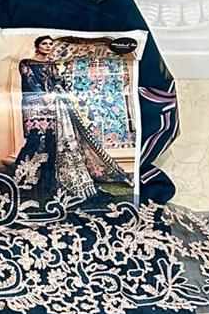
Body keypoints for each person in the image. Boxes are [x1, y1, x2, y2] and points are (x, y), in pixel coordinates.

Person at [13, 36, 131, 202]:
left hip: (53, 106)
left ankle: (46, 185)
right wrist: (46, 96)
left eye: (50, 44)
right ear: (37, 46)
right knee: (34, 140)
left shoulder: (52, 64)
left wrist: (61, 90)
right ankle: (19, 180)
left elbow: (58, 82)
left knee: (50, 143)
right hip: (35, 106)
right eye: (44, 43)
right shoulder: (26, 63)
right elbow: (30, 82)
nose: (48, 46)